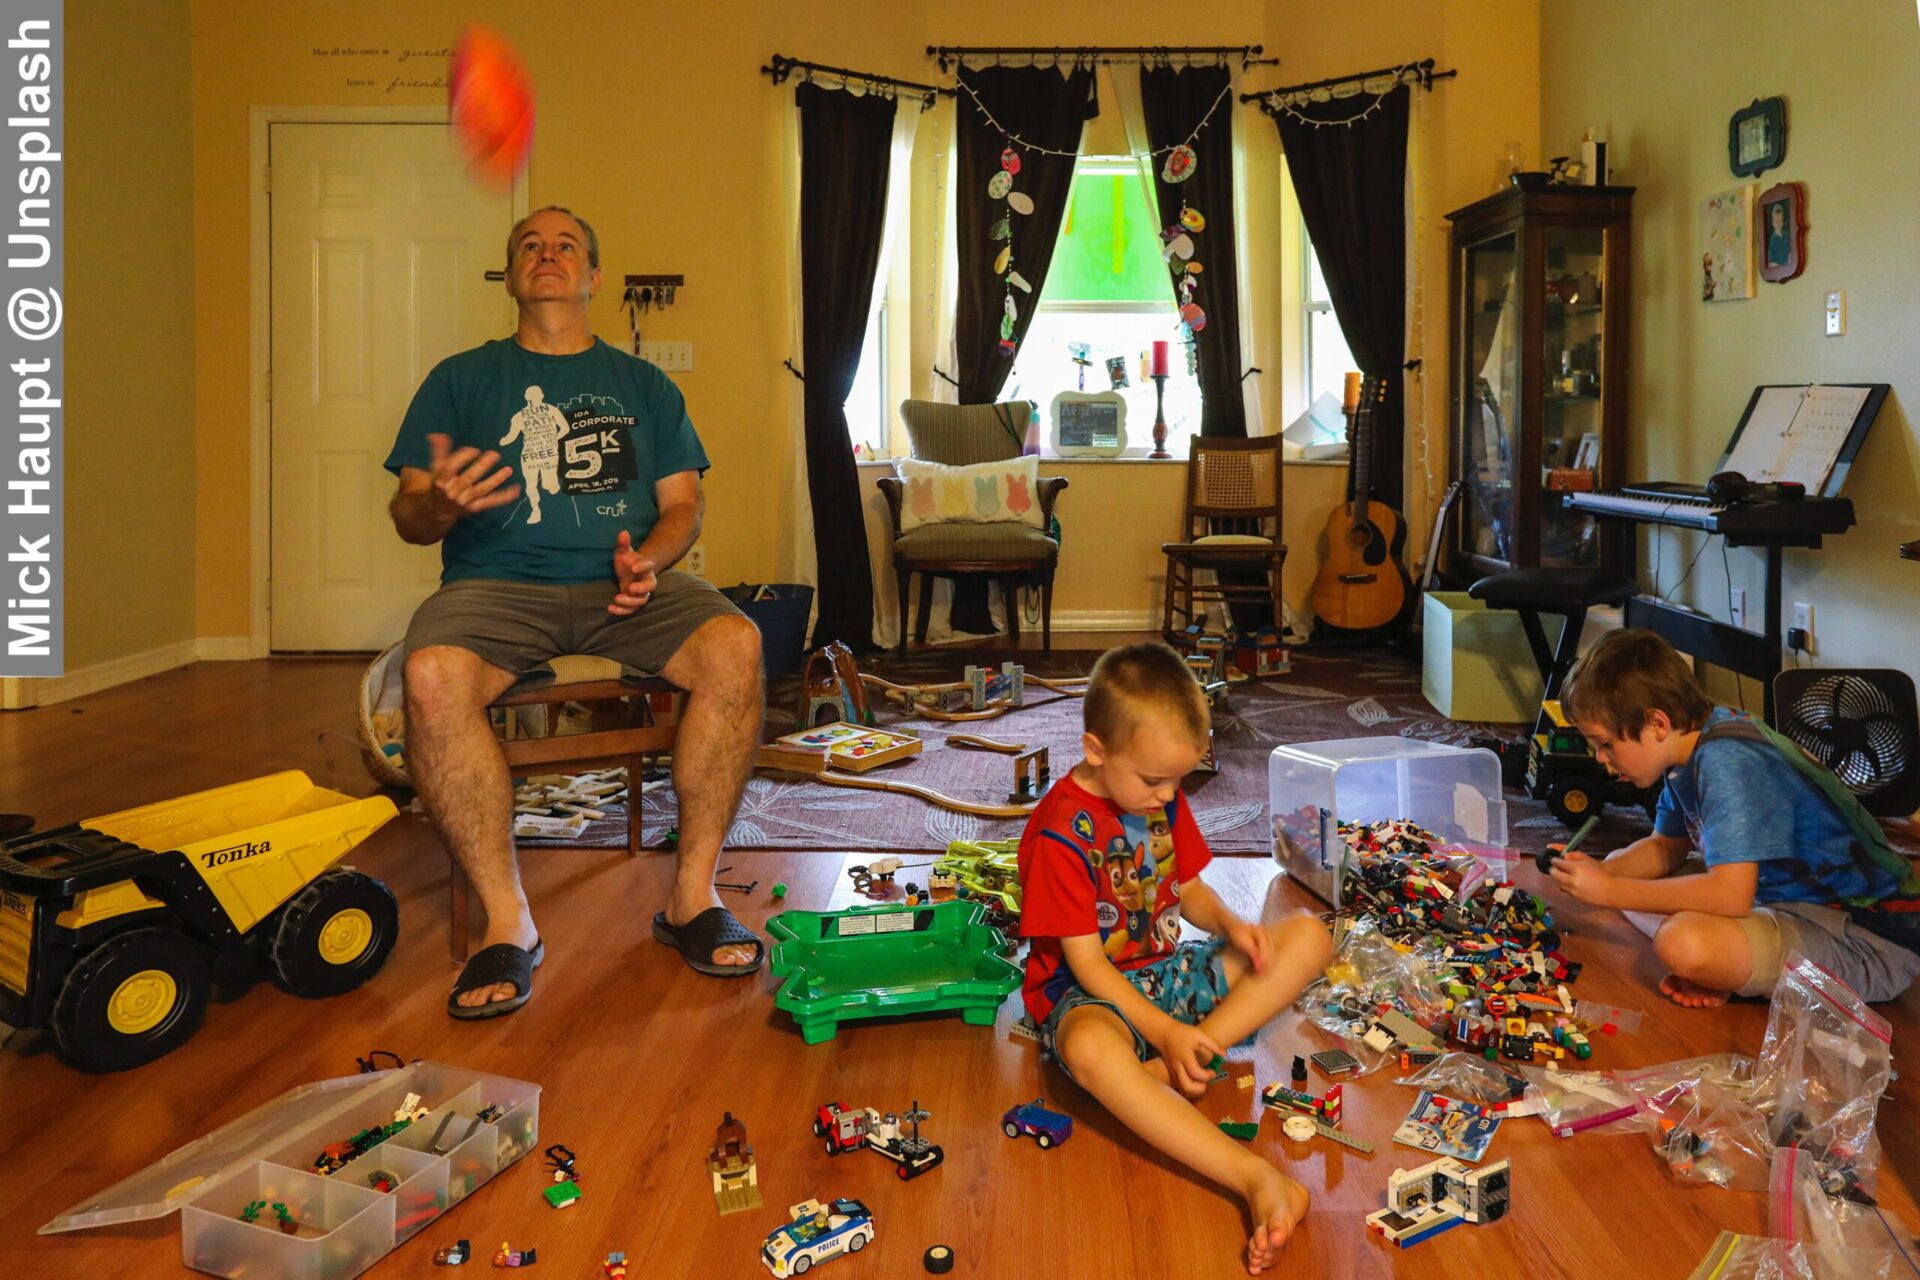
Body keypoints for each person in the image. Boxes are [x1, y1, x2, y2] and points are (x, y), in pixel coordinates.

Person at [386, 206, 766, 1020]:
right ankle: (507, 922)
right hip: (494, 588)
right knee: (428, 674)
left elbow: (685, 505)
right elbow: (408, 512)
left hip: (626, 585)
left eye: (566, 246)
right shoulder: (459, 380)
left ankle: (691, 900)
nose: (547, 254)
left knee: (736, 643)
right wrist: (442, 507)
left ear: (593, 277)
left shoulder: (644, 385)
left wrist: (650, 561)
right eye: (530, 244)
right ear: (512, 276)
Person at [1016, 642, 1333, 1274]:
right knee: (1087, 1049)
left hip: (1167, 976)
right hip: (1088, 1000)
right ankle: (1254, 1177)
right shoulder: (1059, 835)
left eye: (1179, 782)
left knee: (1309, 935)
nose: (1167, 797)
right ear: (1096, 751)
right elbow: (1089, 968)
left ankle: (1181, 1064)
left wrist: (1234, 927)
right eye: (1156, 781)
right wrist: (1164, 1030)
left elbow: (1187, 890)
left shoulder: (1157, 797)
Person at [1550, 629, 1920, 1007]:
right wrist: (1598, 874)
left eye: (1605, 743)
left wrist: (1608, 891)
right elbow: (1666, 846)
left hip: (1868, 942)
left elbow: (1730, 896)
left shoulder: (1727, 761)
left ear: (1657, 723)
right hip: (1778, 901)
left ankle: (1729, 967)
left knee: (1682, 943)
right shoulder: (1690, 747)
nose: (1599, 757)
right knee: (1618, 866)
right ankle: (1736, 966)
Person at [1765, 200, 1792, 268]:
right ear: (1773, 223)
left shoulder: (1787, 235)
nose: (1779, 224)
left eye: (1781, 220)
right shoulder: (1772, 240)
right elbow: (1772, 262)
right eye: (1776, 221)